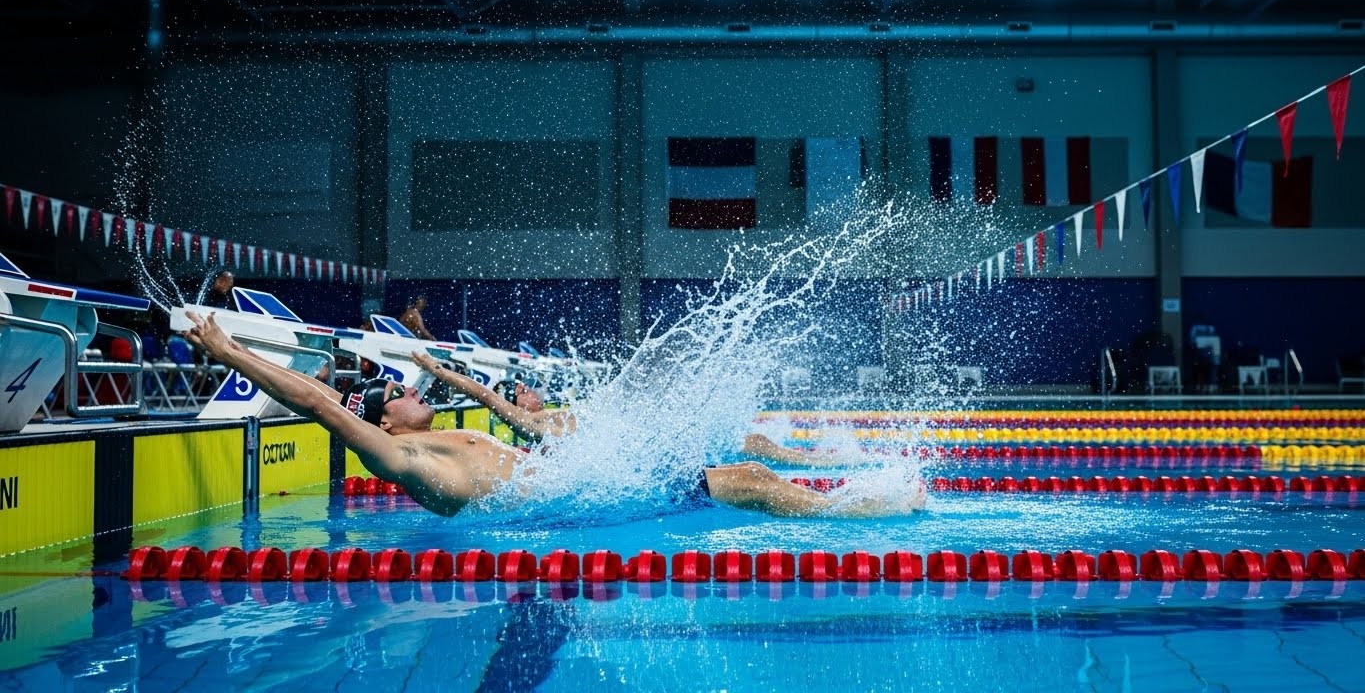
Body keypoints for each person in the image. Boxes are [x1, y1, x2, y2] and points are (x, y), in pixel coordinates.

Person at [181, 311, 920, 518]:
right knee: (751, 477)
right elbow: (316, 401)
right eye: (404, 392)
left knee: (748, 470)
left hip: (590, 490)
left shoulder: (440, 440)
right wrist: (226, 349)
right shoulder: (399, 457)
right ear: (385, 421)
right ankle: (861, 509)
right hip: (585, 504)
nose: (418, 393)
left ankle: (847, 495)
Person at [410, 351, 870, 468]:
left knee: (746, 441)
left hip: (642, 442)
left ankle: (814, 460)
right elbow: (484, 394)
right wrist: (436, 370)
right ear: (514, 404)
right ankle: (818, 463)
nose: (531, 391)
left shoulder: (553, 416)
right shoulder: (531, 423)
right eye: (522, 389)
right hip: (643, 453)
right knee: (747, 449)